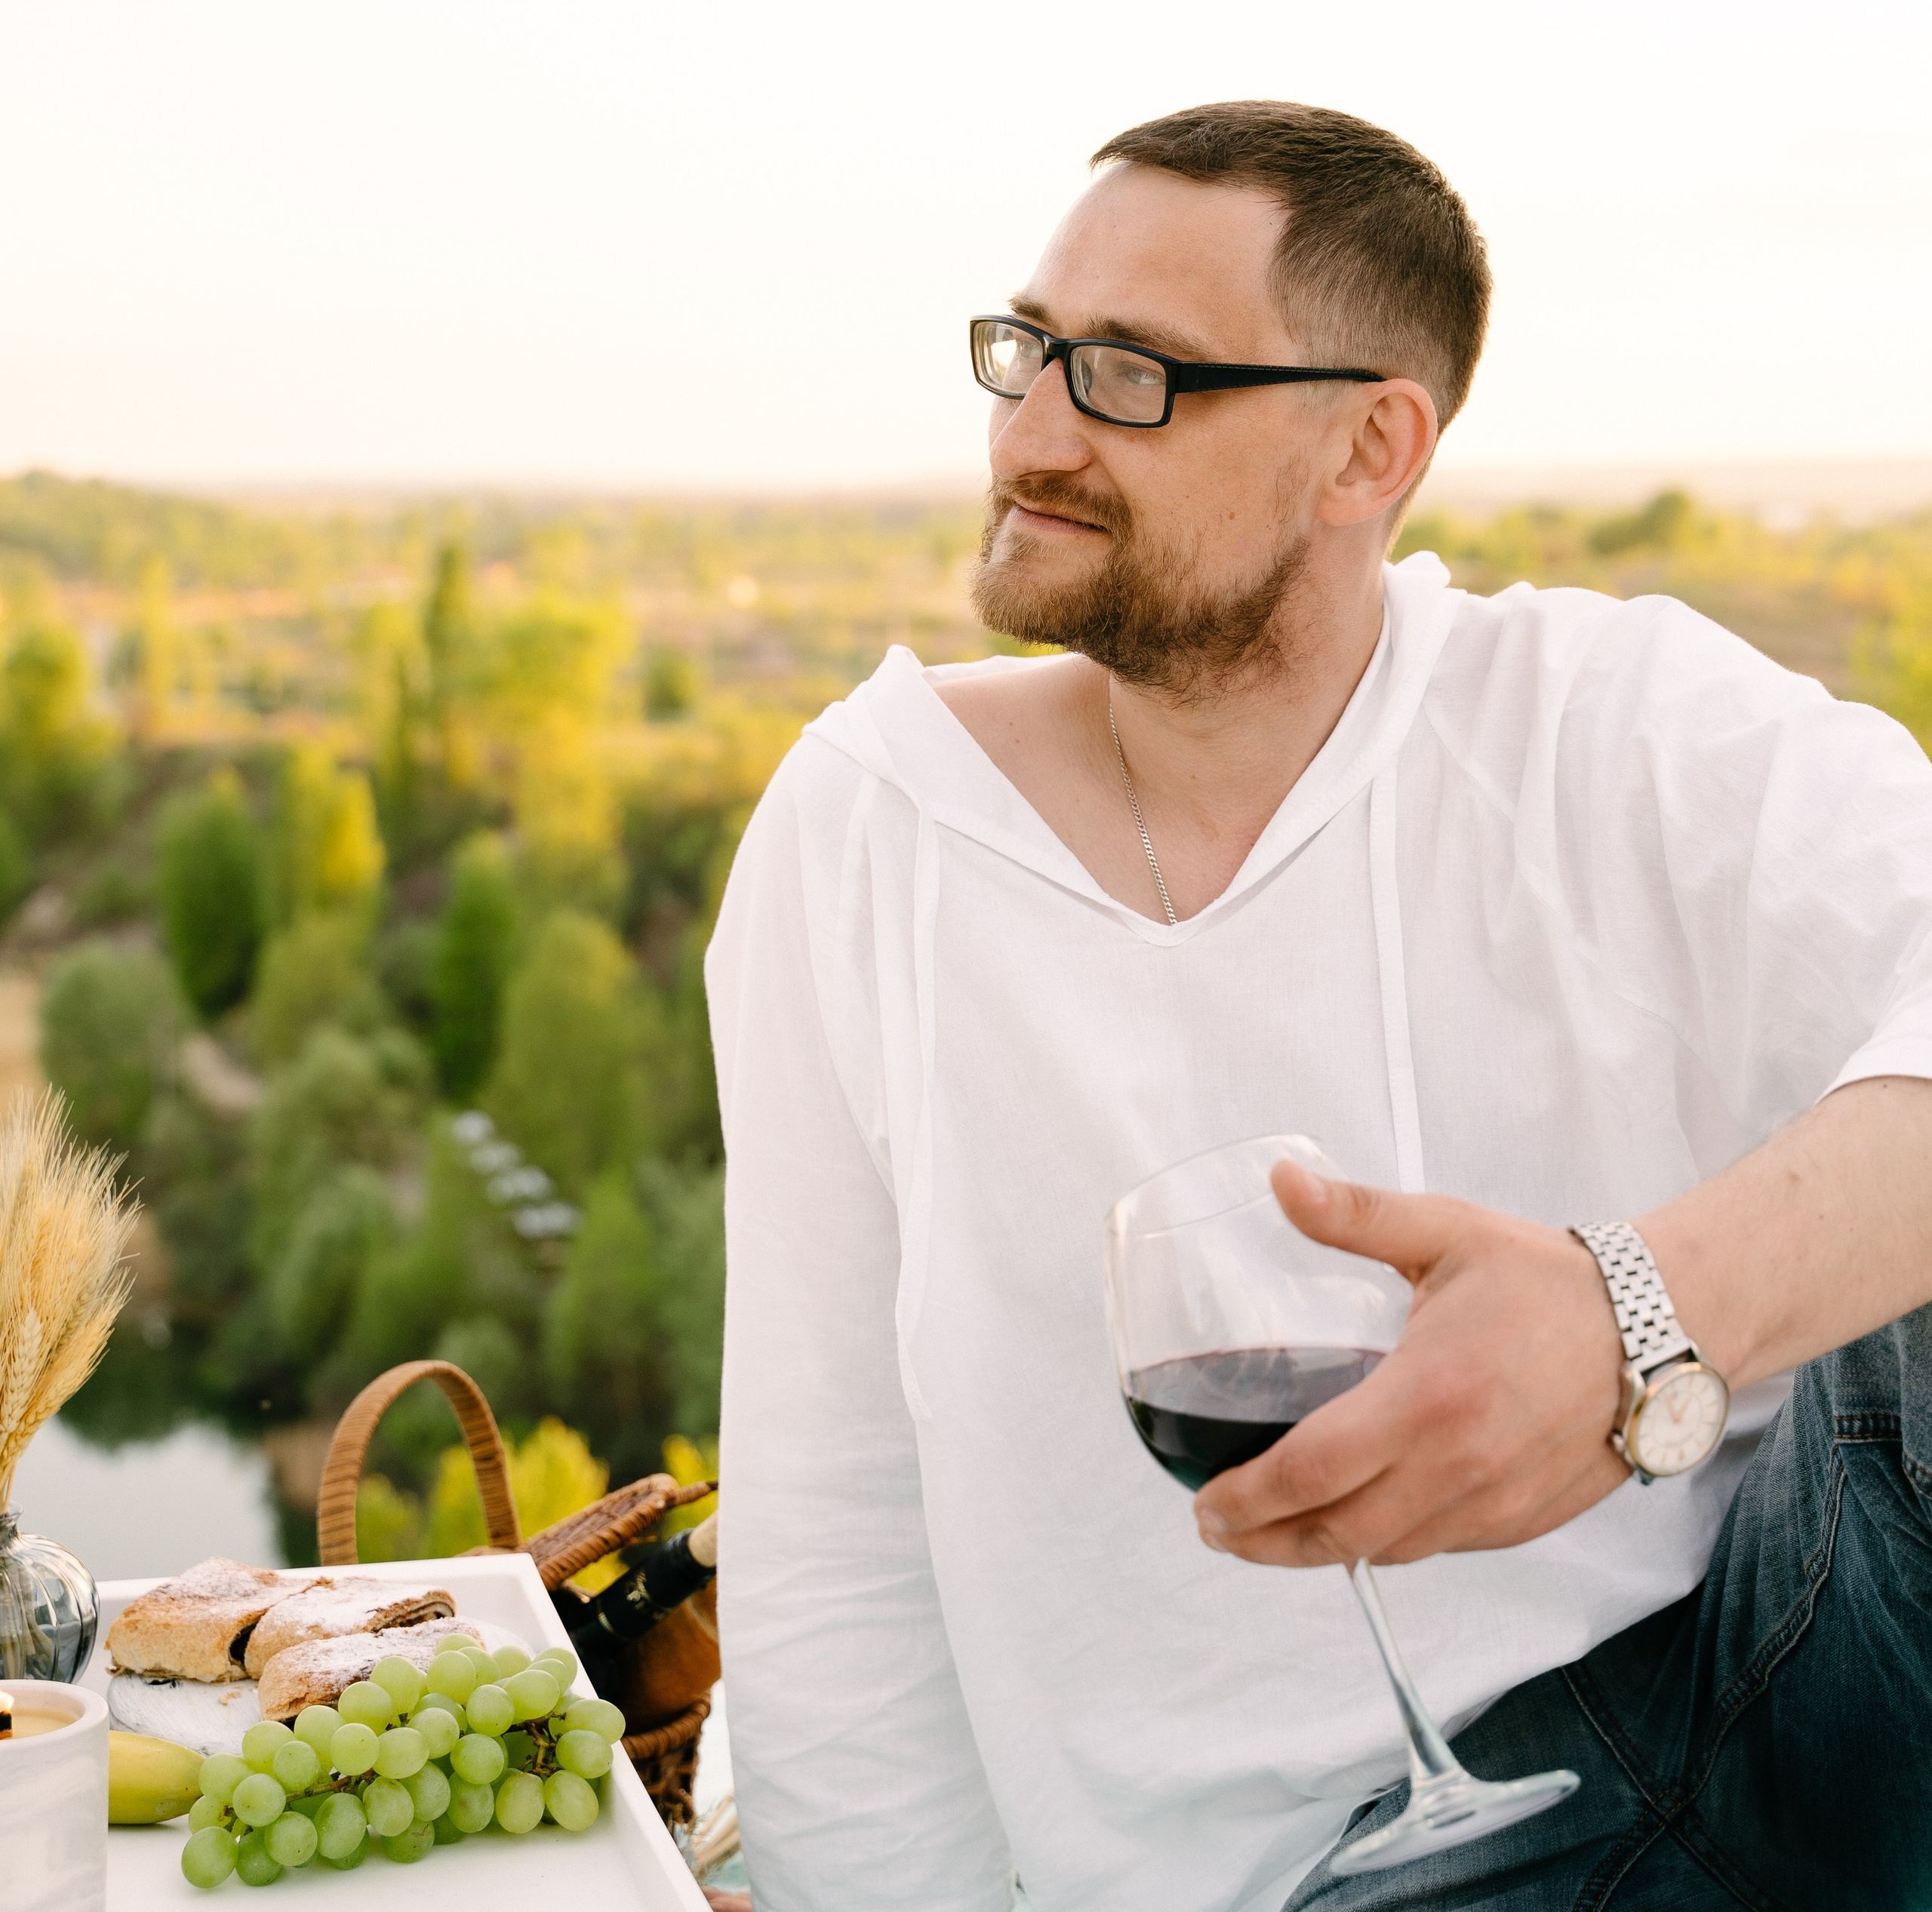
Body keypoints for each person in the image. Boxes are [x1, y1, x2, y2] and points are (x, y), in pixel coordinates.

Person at [706, 102, 1932, 1912]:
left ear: (1370, 445)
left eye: (1130, 375)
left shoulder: (1604, 716)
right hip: (1310, 1876)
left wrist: (1630, 1315)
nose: (1029, 432)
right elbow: (830, 1511)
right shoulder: (868, 826)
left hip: (1771, 1676)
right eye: (1027, 348)